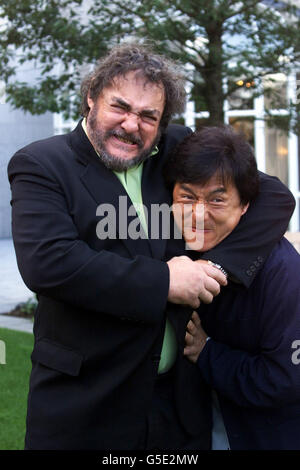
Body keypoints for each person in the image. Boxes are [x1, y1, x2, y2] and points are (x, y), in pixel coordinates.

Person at [7, 42, 294, 450]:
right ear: (91, 97)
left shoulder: (177, 148)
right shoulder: (41, 164)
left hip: (178, 406)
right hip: (88, 406)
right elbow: (49, 262)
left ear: (162, 123)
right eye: (119, 107)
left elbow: (273, 196)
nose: (131, 124)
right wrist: (166, 281)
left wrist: (214, 268)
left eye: (148, 116)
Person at [165, 126, 300, 450]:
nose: (199, 214)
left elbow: (284, 380)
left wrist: (208, 352)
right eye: (187, 196)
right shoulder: (177, 254)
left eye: (217, 200)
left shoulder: (282, 272)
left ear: (245, 206)